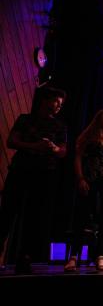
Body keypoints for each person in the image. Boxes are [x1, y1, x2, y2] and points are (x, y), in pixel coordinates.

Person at [0, 86, 67, 274]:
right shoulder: (25, 119)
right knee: (7, 212)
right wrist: (34, 146)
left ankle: (25, 258)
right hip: (20, 171)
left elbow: (63, 151)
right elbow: (11, 141)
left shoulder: (60, 125)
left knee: (34, 217)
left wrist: (53, 148)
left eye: (61, 104)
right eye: (56, 102)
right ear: (45, 100)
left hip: (44, 175)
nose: (58, 107)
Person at [64, 109, 103, 272]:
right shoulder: (87, 136)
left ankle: (101, 257)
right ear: (99, 117)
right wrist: (80, 178)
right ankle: (74, 257)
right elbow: (77, 157)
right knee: (81, 218)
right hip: (89, 180)